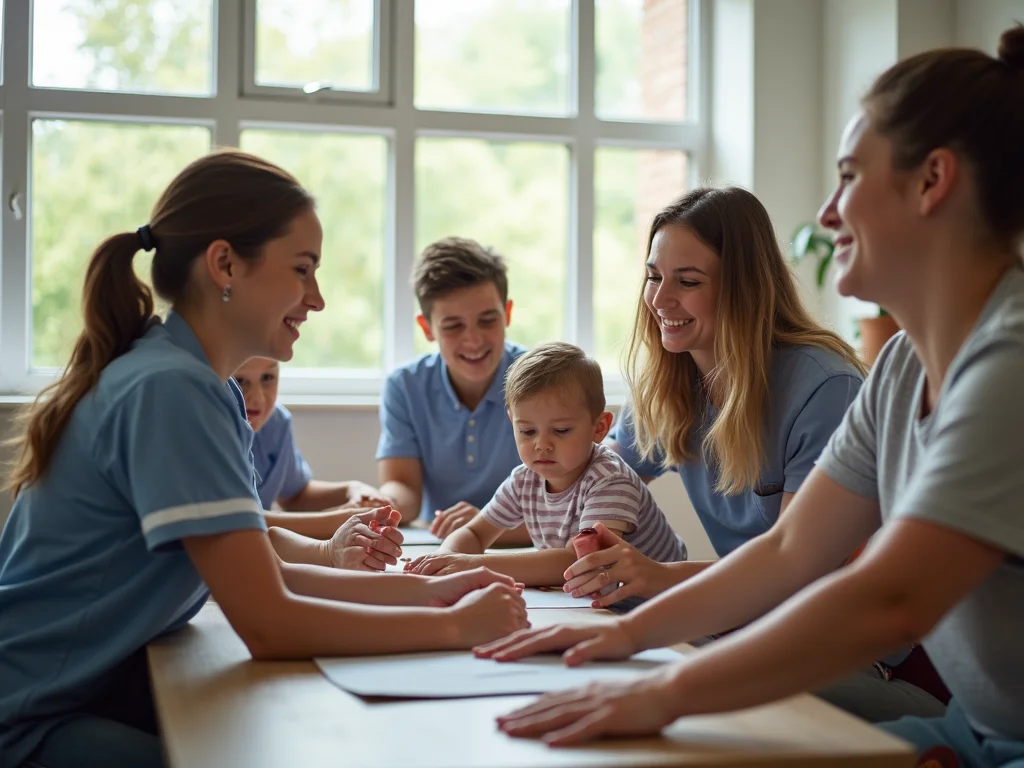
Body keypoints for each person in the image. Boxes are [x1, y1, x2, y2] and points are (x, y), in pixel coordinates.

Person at [476, 26, 1024, 766]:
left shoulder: (1007, 363)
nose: (828, 213)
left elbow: (887, 597)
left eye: (849, 177)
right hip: (977, 730)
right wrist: (627, 637)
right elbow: (792, 549)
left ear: (932, 181)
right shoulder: (898, 368)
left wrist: (663, 690)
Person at [0, 150, 528, 768]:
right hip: (29, 715)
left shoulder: (203, 384)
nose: (319, 299)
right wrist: (457, 628)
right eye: (303, 269)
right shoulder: (172, 389)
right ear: (224, 264)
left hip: (79, 691)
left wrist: (427, 593)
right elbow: (270, 624)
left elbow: (264, 576)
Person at [548, 185, 944, 722]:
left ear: (744, 290)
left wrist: (657, 579)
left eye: (687, 282)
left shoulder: (824, 386)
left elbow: (801, 570)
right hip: (748, 625)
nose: (660, 299)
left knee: (668, 678)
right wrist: (475, 548)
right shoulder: (671, 382)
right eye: (653, 276)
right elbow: (585, 485)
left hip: (870, 662)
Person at [404, 342, 685, 585]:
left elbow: (580, 560)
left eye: (561, 431)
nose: (542, 444)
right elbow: (474, 532)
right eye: (527, 431)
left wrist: (474, 565)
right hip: (594, 601)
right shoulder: (524, 479)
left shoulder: (610, 478)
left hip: (659, 604)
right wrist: (447, 561)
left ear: (598, 428)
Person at [376, 237, 530, 544]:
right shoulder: (405, 387)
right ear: (427, 328)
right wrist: (382, 504)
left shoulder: (543, 380)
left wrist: (485, 523)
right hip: (442, 545)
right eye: (453, 326)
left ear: (508, 313)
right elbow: (403, 486)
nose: (473, 340)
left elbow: (569, 503)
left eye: (487, 320)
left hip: (526, 546)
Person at [236, 356, 394, 514]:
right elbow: (246, 521)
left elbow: (295, 496)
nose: (257, 397)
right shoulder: (214, 434)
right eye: (240, 381)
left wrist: (352, 489)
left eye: (267, 377)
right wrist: (338, 518)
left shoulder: (275, 423)